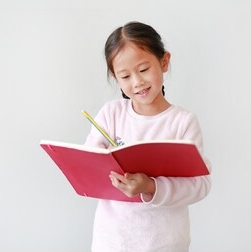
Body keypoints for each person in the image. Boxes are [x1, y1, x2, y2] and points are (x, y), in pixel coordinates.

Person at [84, 21, 212, 252]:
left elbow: (199, 185)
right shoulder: (111, 114)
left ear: (164, 61)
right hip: (112, 241)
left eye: (143, 70)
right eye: (125, 76)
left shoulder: (182, 122)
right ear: (115, 77)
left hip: (164, 243)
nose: (137, 82)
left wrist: (151, 186)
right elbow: (88, 167)